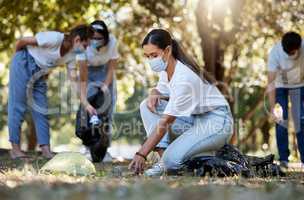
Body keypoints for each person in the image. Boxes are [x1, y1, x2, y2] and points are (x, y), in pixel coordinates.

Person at [128, 29, 233, 176]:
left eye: (154, 55)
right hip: (193, 119)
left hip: (216, 121)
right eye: (147, 56)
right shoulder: (167, 70)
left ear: (168, 50)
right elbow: (160, 90)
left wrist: (141, 154)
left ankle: (223, 160)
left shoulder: (184, 77)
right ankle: (163, 161)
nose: (151, 61)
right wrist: (154, 92)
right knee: (147, 105)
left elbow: (165, 123)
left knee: (172, 162)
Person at [8, 24, 95, 159]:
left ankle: (46, 150)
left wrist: (86, 104)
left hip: (40, 73)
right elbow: (22, 42)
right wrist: (17, 60)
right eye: (86, 45)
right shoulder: (54, 38)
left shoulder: (72, 56)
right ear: (77, 40)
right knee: (17, 106)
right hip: (24, 62)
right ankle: (15, 149)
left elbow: (74, 82)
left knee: (42, 110)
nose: (86, 49)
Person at [266, 31, 304, 171]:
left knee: (301, 120)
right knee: (281, 120)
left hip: (300, 86)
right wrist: (272, 108)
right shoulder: (275, 53)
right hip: (280, 86)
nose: (292, 56)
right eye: (289, 53)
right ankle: (283, 160)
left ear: (300, 47)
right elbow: (270, 83)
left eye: (295, 52)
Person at [71, 20, 119, 162]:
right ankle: (87, 147)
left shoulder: (112, 42)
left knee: (106, 113)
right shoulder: (83, 46)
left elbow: (112, 68)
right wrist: (86, 100)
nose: (95, 41)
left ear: (105, 37)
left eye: (99, 38)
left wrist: (105, 87)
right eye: (93, 38)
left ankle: (105, 150)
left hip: (105, 74)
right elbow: (83, 77)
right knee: (87, 112)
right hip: (89, 74)